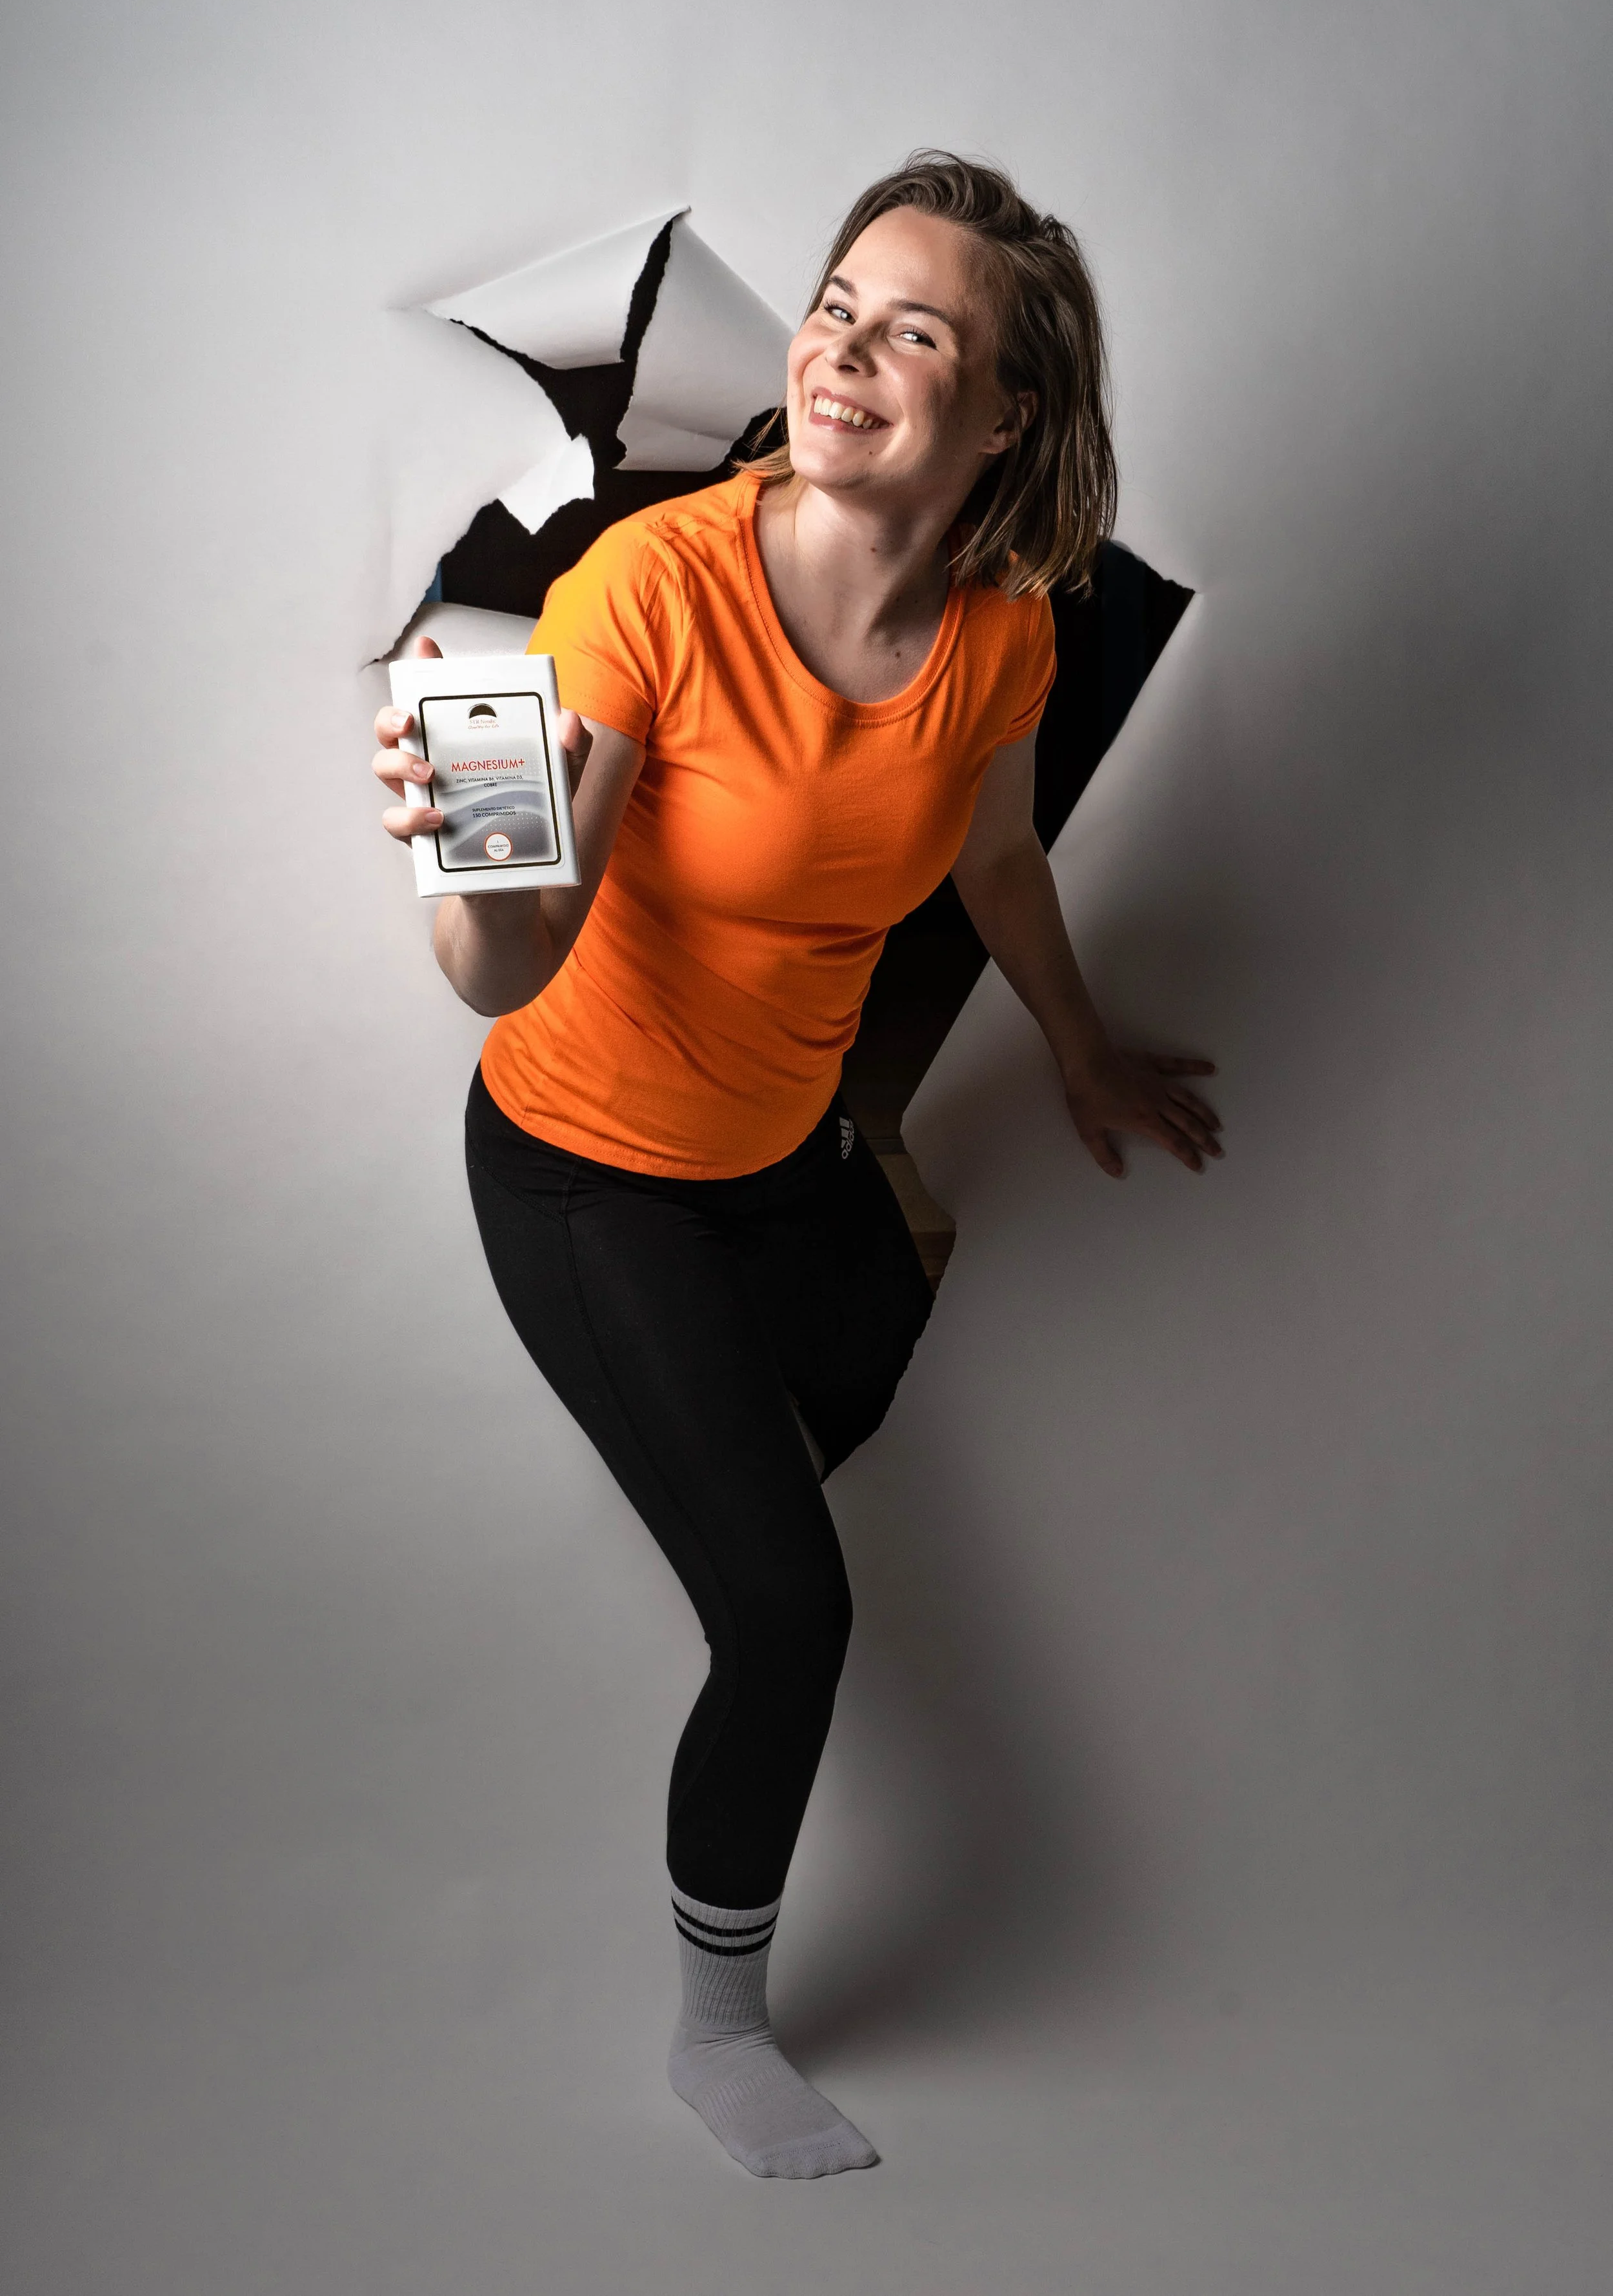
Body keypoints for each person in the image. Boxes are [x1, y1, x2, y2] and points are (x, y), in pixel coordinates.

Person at [372, 152, 1221, 2180]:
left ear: (1005, 414)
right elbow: (504, 964)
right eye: (834, 307)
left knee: (872, 1385)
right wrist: (467, 858)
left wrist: (1080, 1045)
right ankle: (719, 2028)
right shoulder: (649, 591)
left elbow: (996, 859)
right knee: (787, 1612)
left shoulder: (1001, 636)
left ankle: (718, 1480)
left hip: (790, 1155)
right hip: (585, 1169)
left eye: (911, 330)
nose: (839, 350)